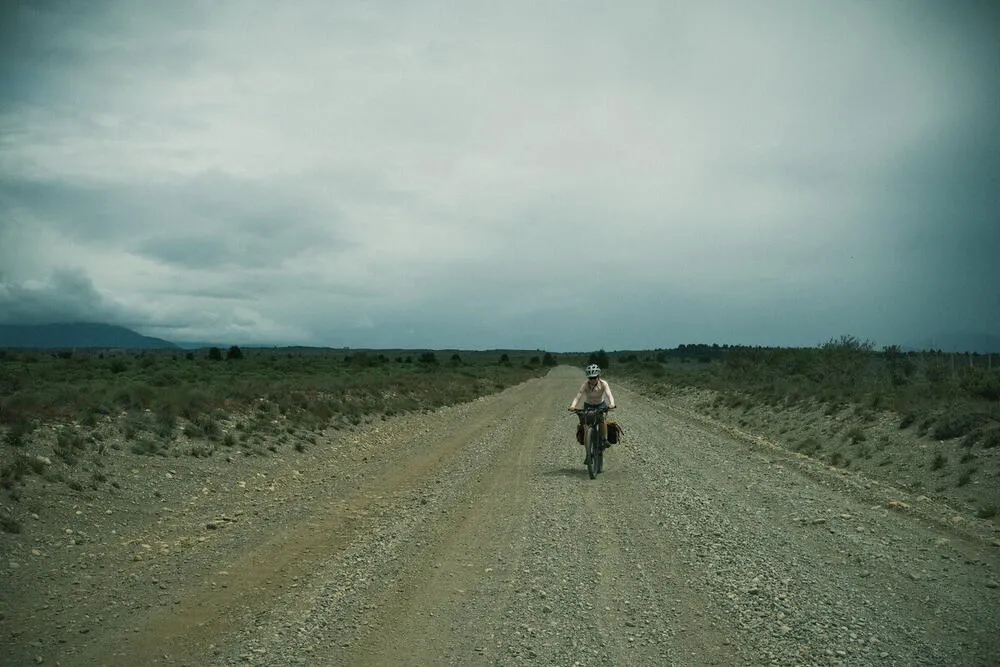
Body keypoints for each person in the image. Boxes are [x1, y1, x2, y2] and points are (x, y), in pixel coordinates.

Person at [568, 364, 616, 463]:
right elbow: (579, 395)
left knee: (603, 420)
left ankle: (605, 439)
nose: (592, 380)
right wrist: (573, 405)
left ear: (598, 376)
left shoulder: (603, 383)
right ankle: (588, 454)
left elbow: (609, 394)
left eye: (594, 377)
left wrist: (612, 403)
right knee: (586, 427)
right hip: (588, 405)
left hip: (600, 405)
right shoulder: (585, 384)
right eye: (590, 378)